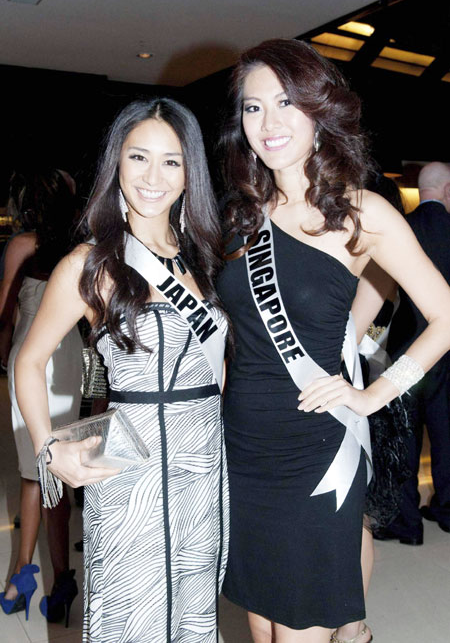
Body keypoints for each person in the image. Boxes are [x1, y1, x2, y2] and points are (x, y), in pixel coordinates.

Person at [216, 39, 450, 643]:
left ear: (321, 110)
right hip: (242, 449)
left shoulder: (362, 212)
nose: (268, 123)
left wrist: (376, 394)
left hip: (316, 449)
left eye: (286, 102)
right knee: (263, 628)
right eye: (252, 108)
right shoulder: (240, 216)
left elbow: (445, 315)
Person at [14, 98, 229, 642]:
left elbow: (218, 366)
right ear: (117, 165)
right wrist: (48, 448)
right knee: (132, 619)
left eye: (171, 162)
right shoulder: (90, 263)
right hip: (129, 465)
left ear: (190, 173)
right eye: (138, 158)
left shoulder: (204, 256)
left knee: (193, 613)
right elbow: (29, 360)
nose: (153, 176)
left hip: (203, 469)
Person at [0, 168, 82, 623]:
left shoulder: (21, 246)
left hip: (31, 360)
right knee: (54, 467)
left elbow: (4, 310)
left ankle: (23, 575)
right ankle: (62, 580)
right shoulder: (78, 251)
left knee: (34, 469)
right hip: (67, 360)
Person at [374, 161, 450, 544]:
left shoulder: (402, 229)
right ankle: (447, 509)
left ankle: (406, 524)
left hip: (408, 352)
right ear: (448, 190)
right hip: (448, 352)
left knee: (402, 440)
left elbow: (381, 293)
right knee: (448, 435)